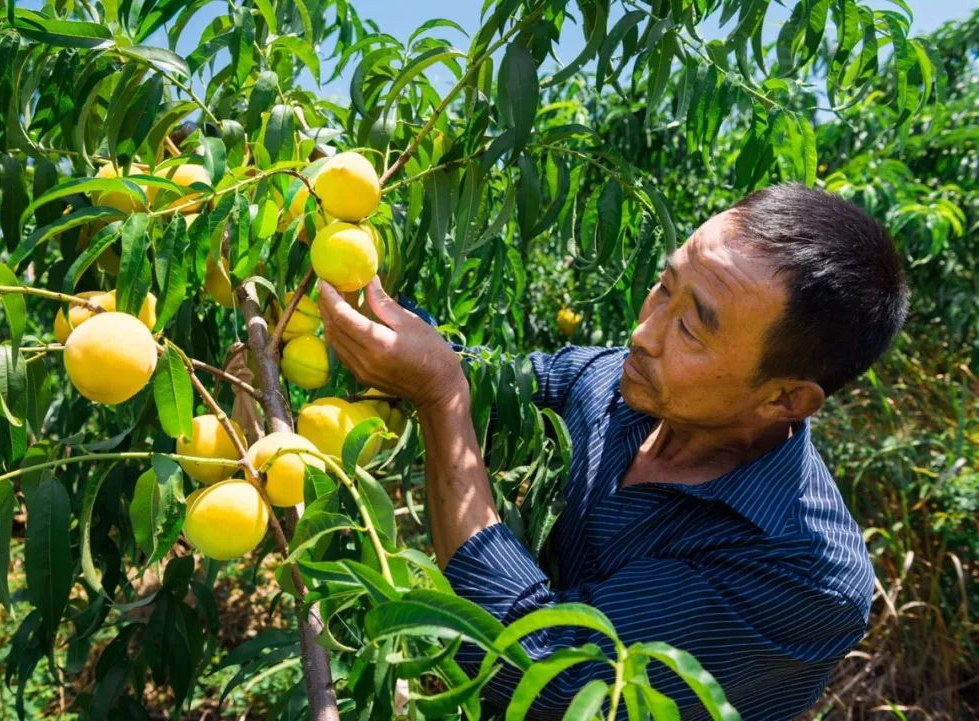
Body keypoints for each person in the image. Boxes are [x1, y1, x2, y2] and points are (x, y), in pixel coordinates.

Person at [315, 183, 910, 720]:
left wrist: (440, 398)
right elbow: (500, 384)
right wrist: (364, 313)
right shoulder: (620, 384)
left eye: (692, 329)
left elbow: (544, 669)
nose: (643, 333)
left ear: (784, 399)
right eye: (664, 286)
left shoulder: (803, 576)